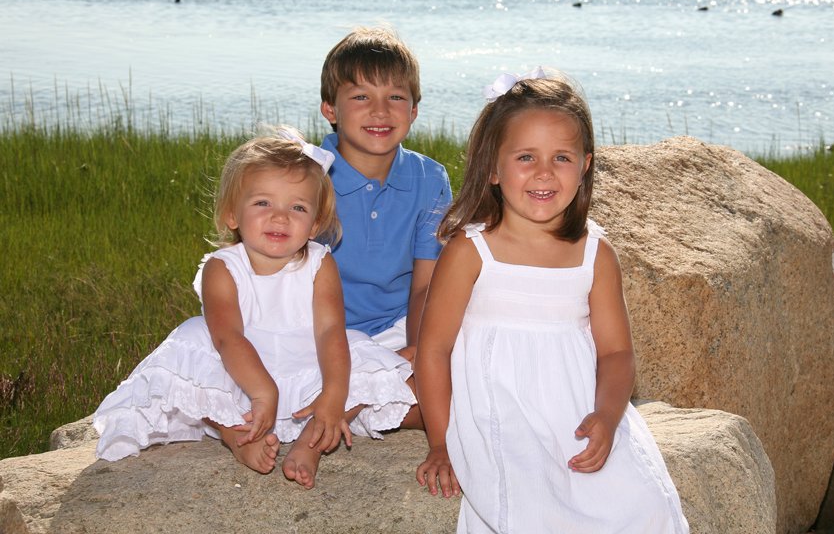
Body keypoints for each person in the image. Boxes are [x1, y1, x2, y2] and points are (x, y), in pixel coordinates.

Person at [414, 69, 689, 532]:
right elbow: (433, 350)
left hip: (575, 411)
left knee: (644, 505)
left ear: (584, 166)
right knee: (529, 505)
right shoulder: (470, 251)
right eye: (526, 157)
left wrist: (607, 416)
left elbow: (616, 353)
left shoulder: (595, 255)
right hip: (499, 413)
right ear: (493, 168)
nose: (544, 172)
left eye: (561, 157)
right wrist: (440, 443)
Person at [94, 127, 415, 489]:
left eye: (298, 207)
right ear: (232, 214)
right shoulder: (223, 268)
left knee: (362, 357)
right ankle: (237, 434)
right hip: (241, 366)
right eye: (263, 203)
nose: (280, 217)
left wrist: (334, 392)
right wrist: (264, 391)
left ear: (315, 224)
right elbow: (228, 338)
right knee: (192, 340)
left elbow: (329, 331)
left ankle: (312, 441)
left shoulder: (320, 263)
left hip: (306, 357)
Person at [318, 27, 453, 396]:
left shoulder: (430, 179)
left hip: (396, 327)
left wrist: (419, 350)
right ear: (330, 109)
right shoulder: (308, 176)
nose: (380, 111)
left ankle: (371, 395)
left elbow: (424, 285)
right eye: (361, 96)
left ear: (413, 110)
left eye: (395, 97)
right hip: (318, 331)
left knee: (450, 390)